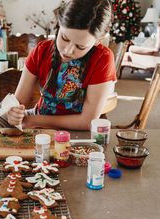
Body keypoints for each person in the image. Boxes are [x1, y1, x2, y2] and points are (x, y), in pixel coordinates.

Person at [7, 0, 116, 130]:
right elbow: (18, 103)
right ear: (59, 23)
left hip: (75, 130)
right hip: (37, 118)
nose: (68, 50)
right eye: (64, 38)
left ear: (98, 41)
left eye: (80, 46)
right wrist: (13, 113)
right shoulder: (41, 51)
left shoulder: (102, 59)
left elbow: (87, 121)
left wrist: (35, 120)